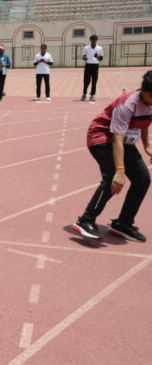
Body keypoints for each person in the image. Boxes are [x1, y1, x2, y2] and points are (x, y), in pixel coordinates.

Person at [72, 71, 152, 242]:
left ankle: (123, 224)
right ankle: (85, 220)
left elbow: (145, 122)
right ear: (143, 90)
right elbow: (117, 139)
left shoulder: (150, 102)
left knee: (143, 179)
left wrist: (147, 146)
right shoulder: (127, 104)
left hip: (124, 141)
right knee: (112, 178)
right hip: (102, 137)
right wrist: (120, 171)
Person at [81, 34, 104, 102]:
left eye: (95, 40)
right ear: (90, 40)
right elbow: (83, 57)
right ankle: (84, 94)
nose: (93, 41)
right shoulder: (86, 48)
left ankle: (92, 95)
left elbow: (101, 58)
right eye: (92, 40)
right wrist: (85, 58)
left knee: (94, 81)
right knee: (86, 81)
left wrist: (97, 57)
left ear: (96, 40)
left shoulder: (99, 48)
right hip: (88, 65)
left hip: (95, 65)